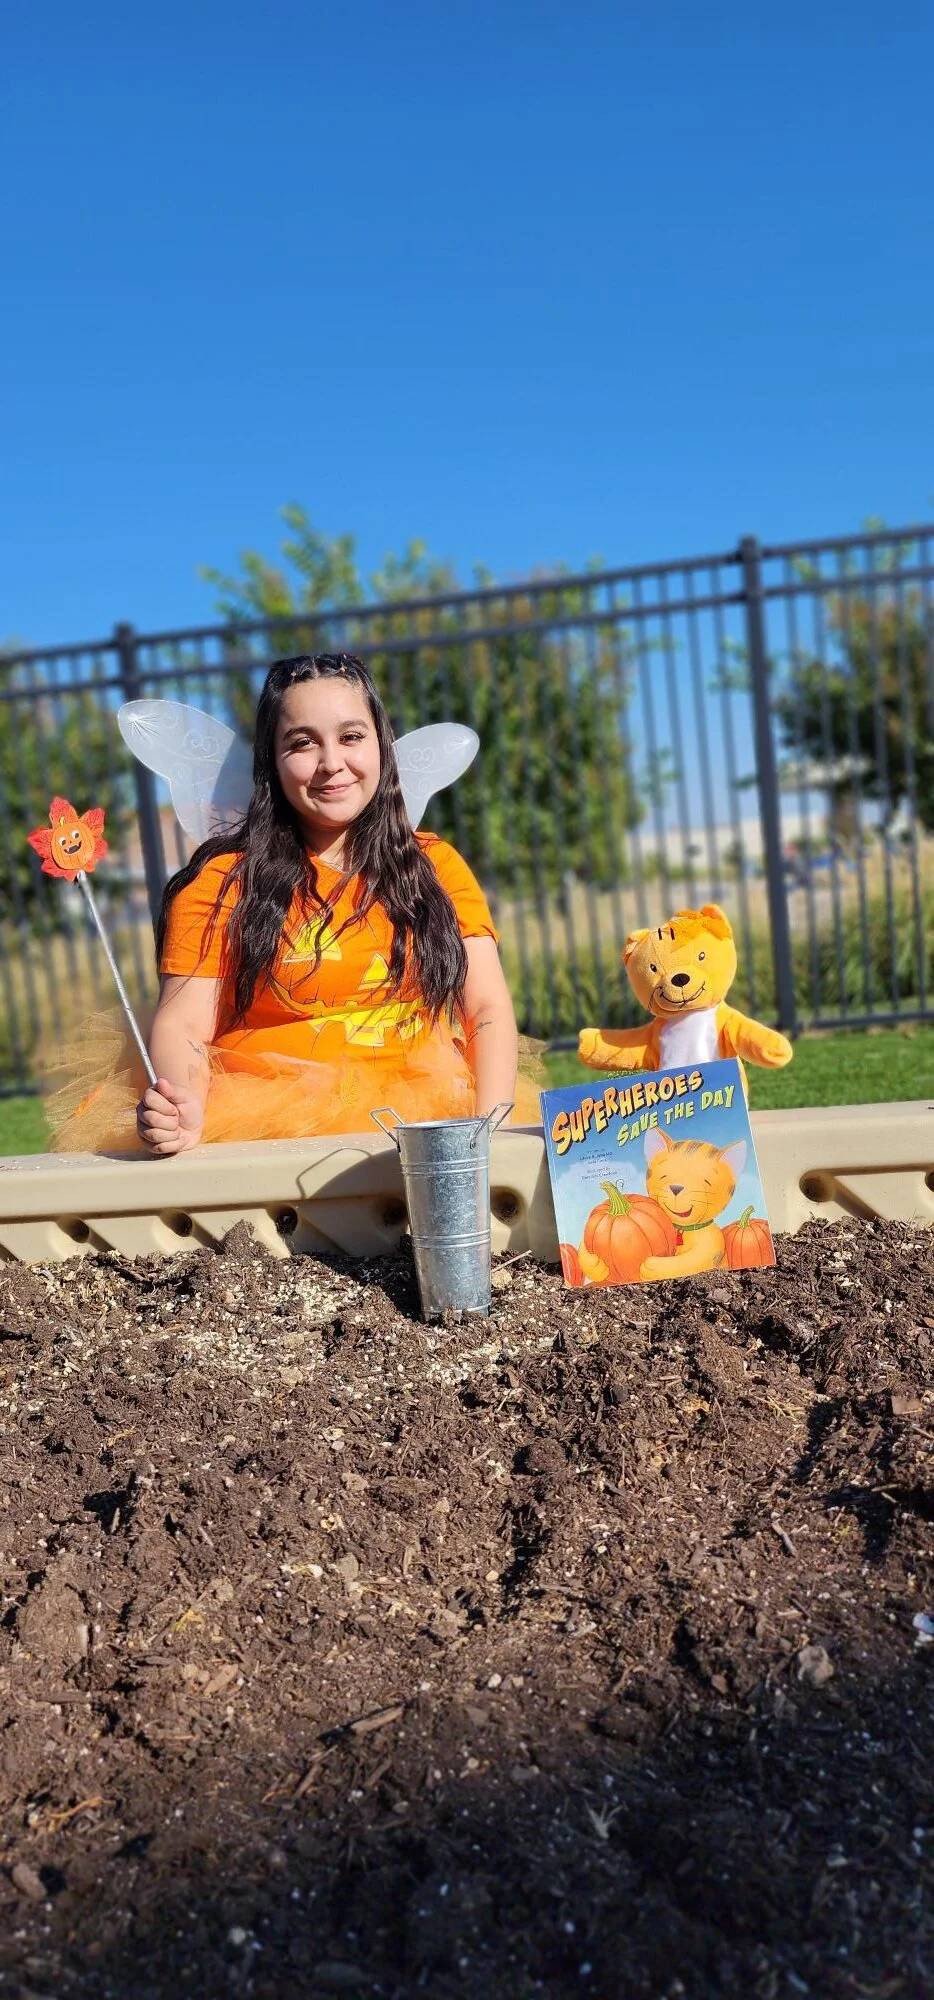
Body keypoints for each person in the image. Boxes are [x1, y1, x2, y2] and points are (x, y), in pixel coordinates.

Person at [80, 651, 522, 1157]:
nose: (331, 762)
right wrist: (184, 1107)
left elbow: (486, 1006)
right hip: (268, 1129)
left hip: (430, 1116)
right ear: (271, 760)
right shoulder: (220, 882)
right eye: (303, 742)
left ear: (381, 746)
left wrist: (492, 1131)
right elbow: (183, 1024)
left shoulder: (436, 865)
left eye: (351, 736)